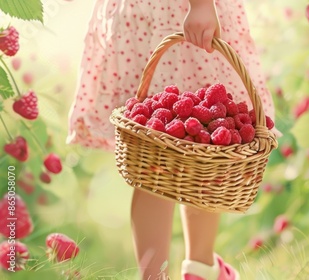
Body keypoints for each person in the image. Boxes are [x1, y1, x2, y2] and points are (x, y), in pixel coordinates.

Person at [67, 0, 275, 279]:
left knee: (157, 154)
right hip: (179, 12)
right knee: (206, 148)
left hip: (146, 15)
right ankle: (201, 269)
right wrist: (201, 5)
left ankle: (171, 274)